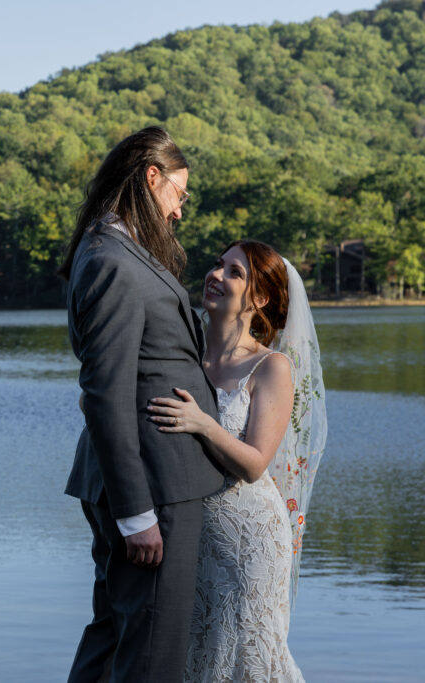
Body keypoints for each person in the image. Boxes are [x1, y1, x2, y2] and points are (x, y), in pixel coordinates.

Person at [59, 127, 225, 683]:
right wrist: (136, 515)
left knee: (114, 636)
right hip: (153, 488)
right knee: (153, 650)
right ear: (151, 179)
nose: (179, 211)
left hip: (153, 481)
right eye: (179, 193)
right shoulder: (112, 260)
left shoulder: (118, 249)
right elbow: (105, 392)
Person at [146, 240, 326, 682]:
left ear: (259, 298)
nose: (216, 275)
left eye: (234, 272)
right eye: (217, 265)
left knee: (245, 658)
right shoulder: (185, 357)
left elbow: (255, 464)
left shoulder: (271, 367)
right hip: (191, 534)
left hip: (249, 539)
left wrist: (203, 423)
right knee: (195, 655)